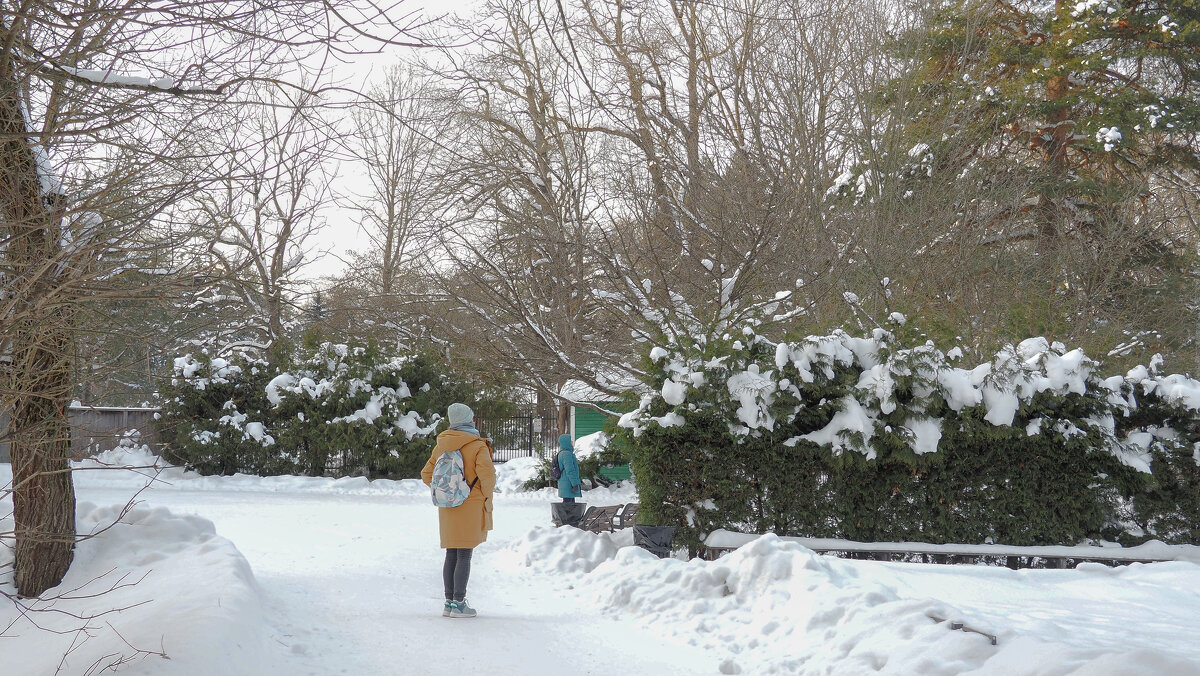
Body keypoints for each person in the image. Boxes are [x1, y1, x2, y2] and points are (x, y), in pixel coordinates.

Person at [421, 403, 495, 619]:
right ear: (468, 420)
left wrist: (447, 491)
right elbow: (487, 476)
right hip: (469, 505)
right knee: (465, 554)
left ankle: (449, 603)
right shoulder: (478, 446)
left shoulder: (441, 445)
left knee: (451, 552)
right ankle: (459, 602)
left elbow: (427, 473)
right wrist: (480, 495)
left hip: (448, 506)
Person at [556, 433, 581, 503]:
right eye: (570, 441)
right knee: (568, 508)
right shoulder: (566, 454)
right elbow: (570, 470)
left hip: (565, 484)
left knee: (568, 507)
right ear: (566, 442)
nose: (572, 442)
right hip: (568, 485)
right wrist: (575, 484)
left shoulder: (563, 453)